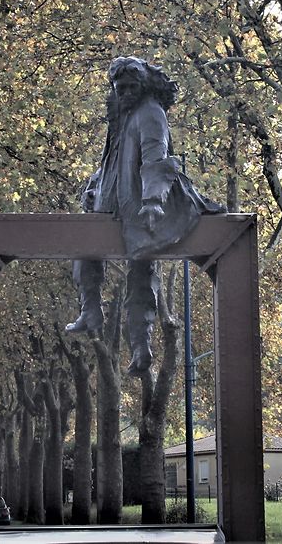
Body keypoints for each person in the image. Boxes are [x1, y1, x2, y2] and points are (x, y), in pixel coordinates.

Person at [67, 57, 223, 374]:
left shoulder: (150, 112)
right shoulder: (123, 116)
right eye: (119, 87)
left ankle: (140, 346)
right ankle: (91, 310)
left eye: (130, 87)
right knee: (84, 241)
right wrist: (94, 184)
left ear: (143, 86)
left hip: (139, 204)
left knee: (141, 272)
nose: (124, 92)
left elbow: (156, 155)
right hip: (114, 201)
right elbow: (114, 161)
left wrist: (152, 201)